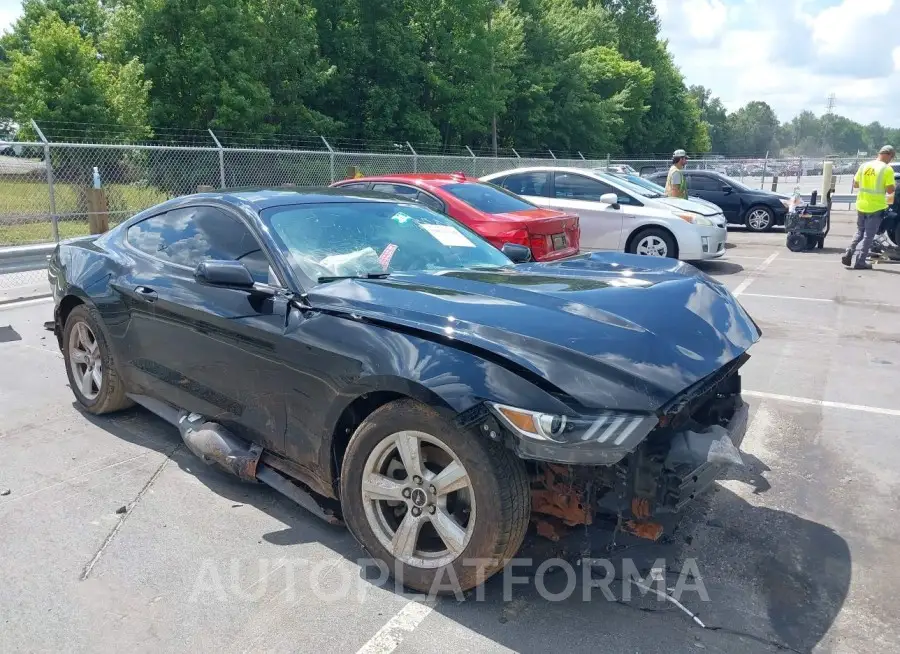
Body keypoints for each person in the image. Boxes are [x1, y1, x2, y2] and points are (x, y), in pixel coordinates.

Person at [843, 145, 896, 269]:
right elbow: (889, 190)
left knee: (860, 231)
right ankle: (860, 261)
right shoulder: (887, 169)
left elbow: (855, 184)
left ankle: (849, 251)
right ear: (888, 155)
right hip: (875, 207)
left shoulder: (864, 166)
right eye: (892, 158)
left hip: (861, 205)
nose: (891, 160)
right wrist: (894, 186)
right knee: (869, 236)